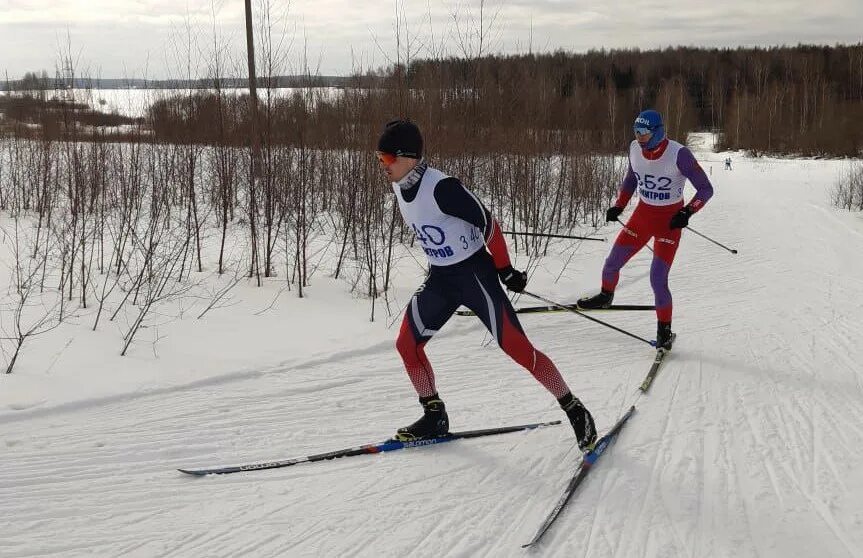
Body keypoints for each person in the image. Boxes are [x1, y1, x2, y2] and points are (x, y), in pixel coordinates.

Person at [376, 119, 597, 450]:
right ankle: (434, 415)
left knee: (519, 349)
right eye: (379, 159)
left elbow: (488, 223)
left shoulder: (442, 188)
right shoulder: (399, 184)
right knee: (407, 344)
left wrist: (505, 269)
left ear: (408, 157)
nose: (383, 166)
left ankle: (575, 409)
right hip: (442, 278)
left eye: (387, 159)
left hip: (475, 276)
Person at [578, 109, 714, 350]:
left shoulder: (678, 154)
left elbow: (706, 189)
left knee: (657, 279)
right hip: (642, 217)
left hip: (669, 223)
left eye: (644, 132)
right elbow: (632, 178)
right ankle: (605, 296)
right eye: (636, 132)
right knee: (611, 264)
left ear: (657, 132)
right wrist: (618, 206)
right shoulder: (634, 149)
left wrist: (687, 212)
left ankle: (664, 332)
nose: (639, 137)